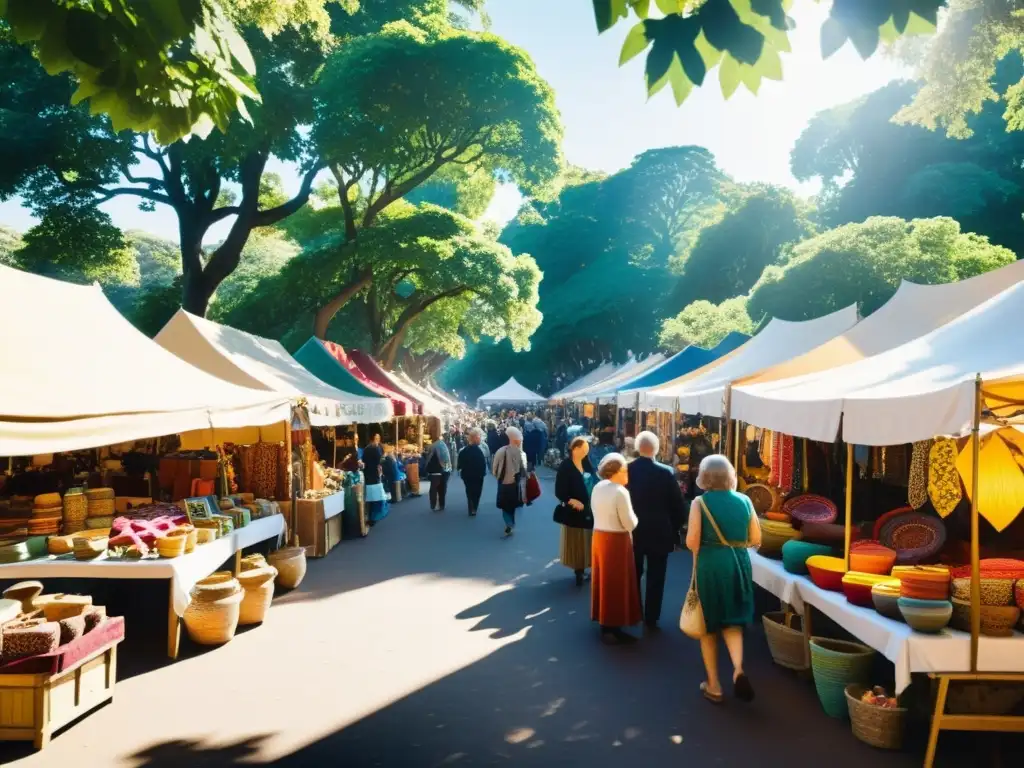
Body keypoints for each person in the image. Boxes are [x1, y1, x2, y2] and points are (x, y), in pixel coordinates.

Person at [685, 454, 761, 704]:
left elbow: (691, 542)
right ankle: (738, 669)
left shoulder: (699, 503)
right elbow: (756, 539)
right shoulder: (746, 500)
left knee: (708, 625)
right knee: (732, 621)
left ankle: (714, 684)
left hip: (710, 565)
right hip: (738, 563)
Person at [628, 431, 687, 631]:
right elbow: (678, 506)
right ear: (657, 449)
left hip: (633, 530)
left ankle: (633, 611)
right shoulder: (666, 473)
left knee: (633, 573)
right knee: (656, 576)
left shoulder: (627, 471)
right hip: (660, 531)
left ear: (637, 448)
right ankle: (652, 617)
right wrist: (676, 527)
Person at [590, 453, 642, 644]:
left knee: (603, 579)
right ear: (615, 472)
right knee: (617, 582)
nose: (627, 473)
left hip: (599, 535)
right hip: (616, 539)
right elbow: (630, 522)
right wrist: (636, 520)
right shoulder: (620, 491)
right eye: (624, 470)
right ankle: (614, 624)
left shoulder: (598, 486)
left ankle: (604, 619)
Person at [555, 437, 594, 587]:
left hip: (588, 509)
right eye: (584, 449)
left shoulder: (586, 462)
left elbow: (593, 479)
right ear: (575, 449)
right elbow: (559, 491)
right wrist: (572, 501)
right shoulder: (565, 466)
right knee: (576, 541)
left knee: (586, 540)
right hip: (573, 511)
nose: (586, 452)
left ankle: (583, 568)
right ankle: (579, 571)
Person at [492, 426, 526, 537]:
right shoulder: (519, 451)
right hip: (514, 483)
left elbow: (494, 469)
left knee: (504, 505)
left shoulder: (500, 451)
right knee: (512, 504)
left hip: (503, 482)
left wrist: (498, 476)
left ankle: (508, 523)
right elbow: (523, 468)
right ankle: (511, 522)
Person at [458, 428, 488, 517]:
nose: (480, 439)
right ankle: (474, 507)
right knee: (477, 491)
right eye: (479, 437)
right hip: (478, 475)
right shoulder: (479, 450)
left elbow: (460, 464)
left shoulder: (464, 451)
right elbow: (483, 462)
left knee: (469, 491)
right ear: (475, 438)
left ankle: (471, 507)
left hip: (467, 475)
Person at [362, 433, 389, 525]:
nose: (378, 440)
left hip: (367, 473)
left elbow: (363, 461)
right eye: (376, 438)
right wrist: (384, 457)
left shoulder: (366, 449)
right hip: (374, 474)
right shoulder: (375, 449)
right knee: (375, 497)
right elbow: (380, 461)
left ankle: (369, 516)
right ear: (372, 439)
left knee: (369, 496)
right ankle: (373, 517)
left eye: (379, 438)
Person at [424, 438, 452, 512]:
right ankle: (441, 505)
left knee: (434, 489)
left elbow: (428, 461)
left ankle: (434, 505)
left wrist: (426, 471)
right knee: (442, 488)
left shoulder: (433, 448)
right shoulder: (443, 446)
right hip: (445, 471)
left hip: (435, 472)